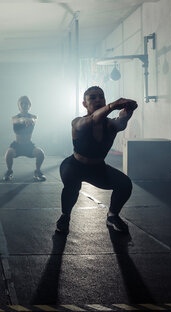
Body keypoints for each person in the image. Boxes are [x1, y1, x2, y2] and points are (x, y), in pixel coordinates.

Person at [55, 86, 138, 234]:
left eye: (101, 96)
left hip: (98, 168)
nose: (98, 100)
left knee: (125, 184)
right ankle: (65, 216)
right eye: (92, 98)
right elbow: (93, 119)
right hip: (74, 165)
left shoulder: (111, 125)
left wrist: (129, 109)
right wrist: (113, 105)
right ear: (84, 104)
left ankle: (112, 216)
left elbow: (122, 120)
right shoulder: (78, 122)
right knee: (72, 187)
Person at [3, 96, 47, 182]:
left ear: (29, 105)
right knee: (8, 153)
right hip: (17, 145)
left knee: (41, 153)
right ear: (18, 106)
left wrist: (30, 120)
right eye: (22, 103)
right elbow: (18, 121)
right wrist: (23, 119)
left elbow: (34, 120)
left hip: (28, 145)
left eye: (26, 103)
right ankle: (9, 171)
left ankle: (37, 171)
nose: (24, 105)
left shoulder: (33, 117)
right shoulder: (14, 118)